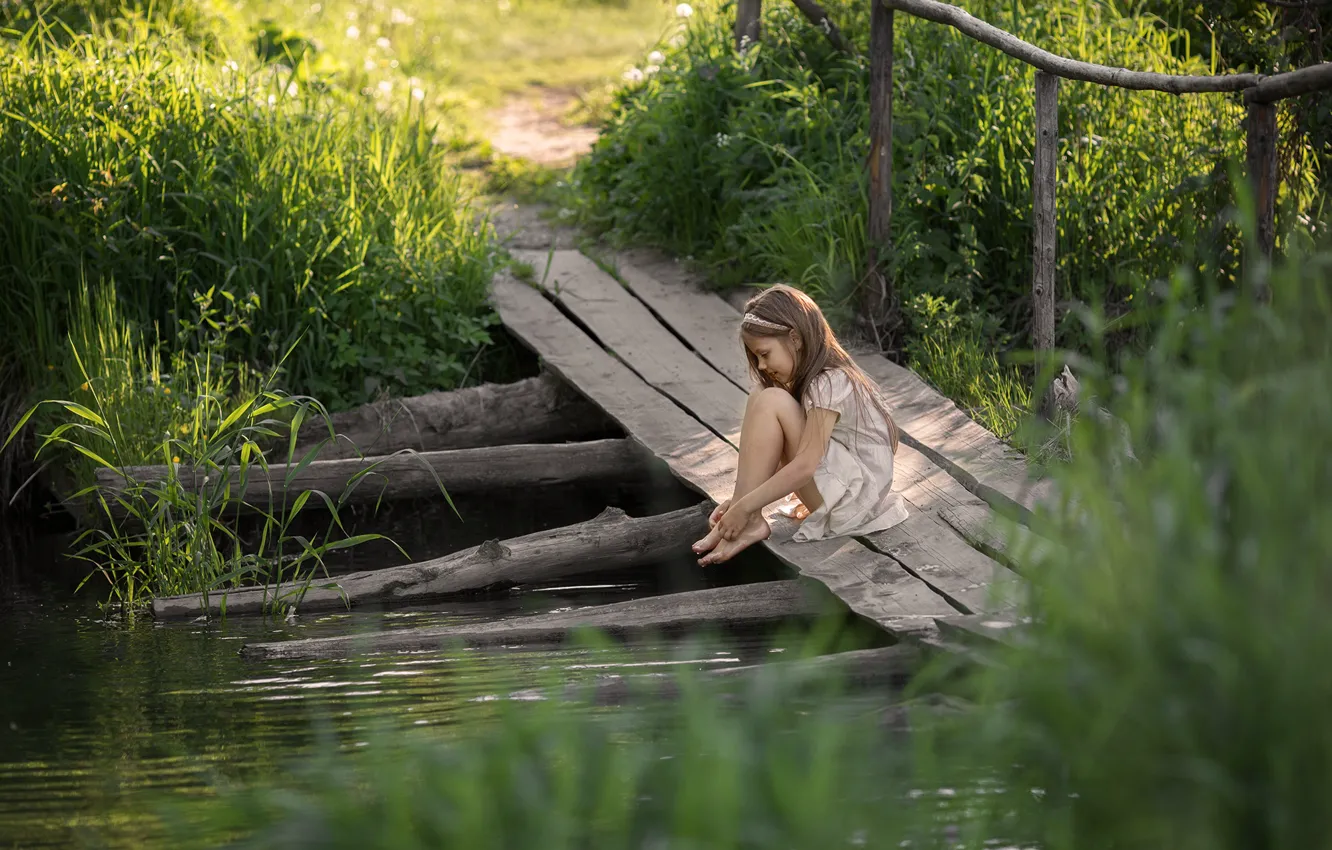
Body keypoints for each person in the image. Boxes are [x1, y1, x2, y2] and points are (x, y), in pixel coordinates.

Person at [691, 284, 909, 566]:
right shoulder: (818, 380)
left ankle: (750, 517)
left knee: (771, 399)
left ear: (795, 338)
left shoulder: (830, 382)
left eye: (764, 354)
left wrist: (746, 506)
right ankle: (749, 516)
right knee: (762, 394)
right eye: (756, 357)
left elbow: (805, 465)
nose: (761, 365)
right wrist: (740, 500)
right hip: (842, 486)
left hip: (852, 504)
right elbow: (777, 453)